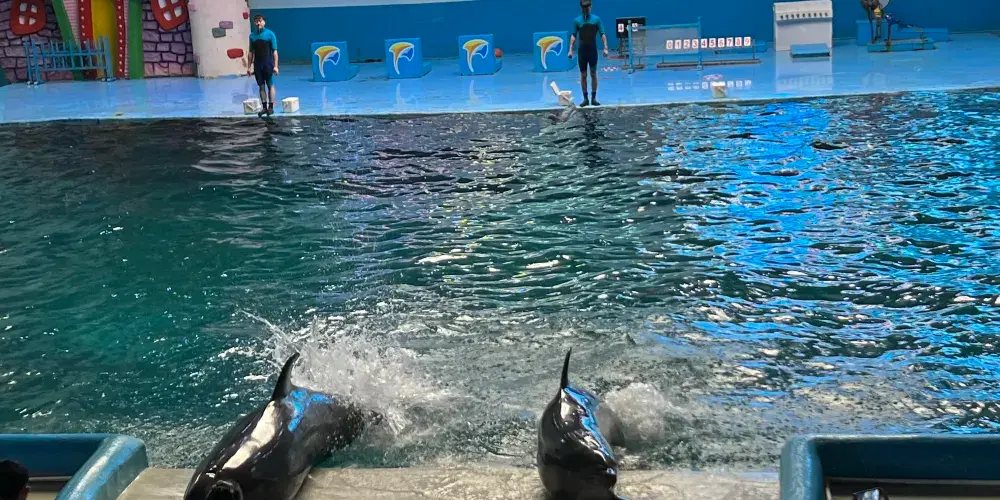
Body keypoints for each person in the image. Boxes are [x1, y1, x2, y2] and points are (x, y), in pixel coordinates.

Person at [568, 0, 609, 107]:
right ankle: (585, 99)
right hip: (582, 52)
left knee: (593, 74)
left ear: (591, 7)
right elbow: (573, 36)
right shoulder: (577, 21)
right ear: (581, 8)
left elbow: (602, 34)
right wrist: (570, 49)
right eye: (583, 8)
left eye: (587, 7)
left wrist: (605, 47)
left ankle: (593, 98)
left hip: (592, 51)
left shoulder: (596, 19)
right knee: (583, 75)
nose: (586, 10)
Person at [248, 14, 279, 117]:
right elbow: (250, 52)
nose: (258, 23)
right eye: (256, 21)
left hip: (268, 63)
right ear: (254, 23)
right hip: (257, 64)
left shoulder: (270, 34)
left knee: (270, 85)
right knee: (261, 86)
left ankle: (271, 107)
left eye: (260, 21)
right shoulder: (252, 36)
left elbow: (274, 51)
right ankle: (264, 107)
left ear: (264, 22)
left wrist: (275, 66)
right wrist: (249, 67)